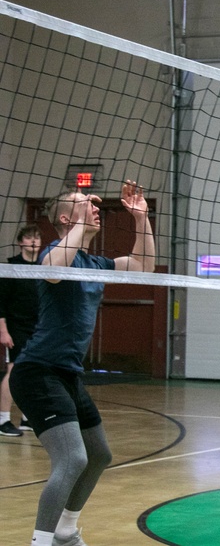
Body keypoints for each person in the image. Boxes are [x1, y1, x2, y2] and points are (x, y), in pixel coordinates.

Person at [10, 182, 155, 546]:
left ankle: (64, 531)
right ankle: (41, 542)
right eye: (83, 203)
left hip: (67, 375)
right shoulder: (52, 254)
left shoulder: (95, 262)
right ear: (64, 218)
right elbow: (54, 271)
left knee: (99, 455)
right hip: (37, 372)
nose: (94, 206)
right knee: (73, 458)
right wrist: (77, 223)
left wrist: (141, 219)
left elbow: (144, 267)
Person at [0, 224, 42, 436]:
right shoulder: (11, 267)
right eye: (29, 238)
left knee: (33, 373)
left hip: (38, 329)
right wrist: (3, 331)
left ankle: (27, 418)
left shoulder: (45, 267)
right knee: (13, 371)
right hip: (16, 328)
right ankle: (3, 420)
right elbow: (1, 304)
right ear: (21, 242)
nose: (34, 241)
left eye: (37, 238)